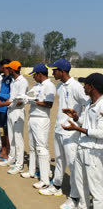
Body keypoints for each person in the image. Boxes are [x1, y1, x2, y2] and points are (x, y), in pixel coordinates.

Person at [39, 59, 88, 209]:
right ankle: (57, 186)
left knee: (73, 164)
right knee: (59, 159)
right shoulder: (59, 86)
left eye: (55, 70)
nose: (53, 73)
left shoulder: (76, 87)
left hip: (71, 131)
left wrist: (78, 122)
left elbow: (86, 104)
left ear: (63, 71)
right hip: (59, 129)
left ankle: (74, 197)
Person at [61, 73, 103, 209]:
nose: (83, 87)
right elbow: (85, 123)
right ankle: (82, 206)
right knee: (81, 183)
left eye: (85, 84)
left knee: (96, 189)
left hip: (94, 152)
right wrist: (75, 117)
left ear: (92, 87)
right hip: (82, 147)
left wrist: (79, 130)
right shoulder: (89, 103)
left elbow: (101, 133)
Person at [20, 64, 56, 190]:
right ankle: (31, 171)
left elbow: (49, 104)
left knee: (41, 148)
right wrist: (26, 98)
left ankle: (45, 179)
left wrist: (33, 101)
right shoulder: (36, 85)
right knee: (32, 147)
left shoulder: (49, 85)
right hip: (33, 117)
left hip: (41, 119)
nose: (34, 77)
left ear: (40, 74)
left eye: (34, 75)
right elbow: (30, 96)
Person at [0, 61, 28, 175]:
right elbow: (12, 97)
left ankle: (19, 165)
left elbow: (19, 101)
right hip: (10, 111)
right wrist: (6, 104)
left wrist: (3, 104)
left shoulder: (22, 82)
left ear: (13, 70)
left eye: (8, 68)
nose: (6, 70)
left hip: (17, 112)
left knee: (18, 139)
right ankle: (12, 158)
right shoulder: (13, 81)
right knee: (12, 137)